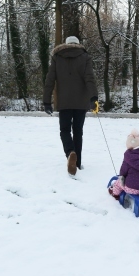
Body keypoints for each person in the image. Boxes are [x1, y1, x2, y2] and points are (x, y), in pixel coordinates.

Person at [43, 36, 98, 175]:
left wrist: (46, 101)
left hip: (64, 102)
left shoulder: (57, 57)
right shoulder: (85, 56)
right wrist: (94, 98)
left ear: (66, 44)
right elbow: (89, 78)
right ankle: (77, 163)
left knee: (65, 130)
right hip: (81, 101)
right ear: (78, 44)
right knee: (78, 131)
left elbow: (50, 80)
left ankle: (70, 153)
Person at [109, 129, 139, 199]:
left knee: (118, 183)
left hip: (133, 188)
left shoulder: (129, 156)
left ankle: (115, 194)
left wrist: (122, 177)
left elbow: (123, 172)